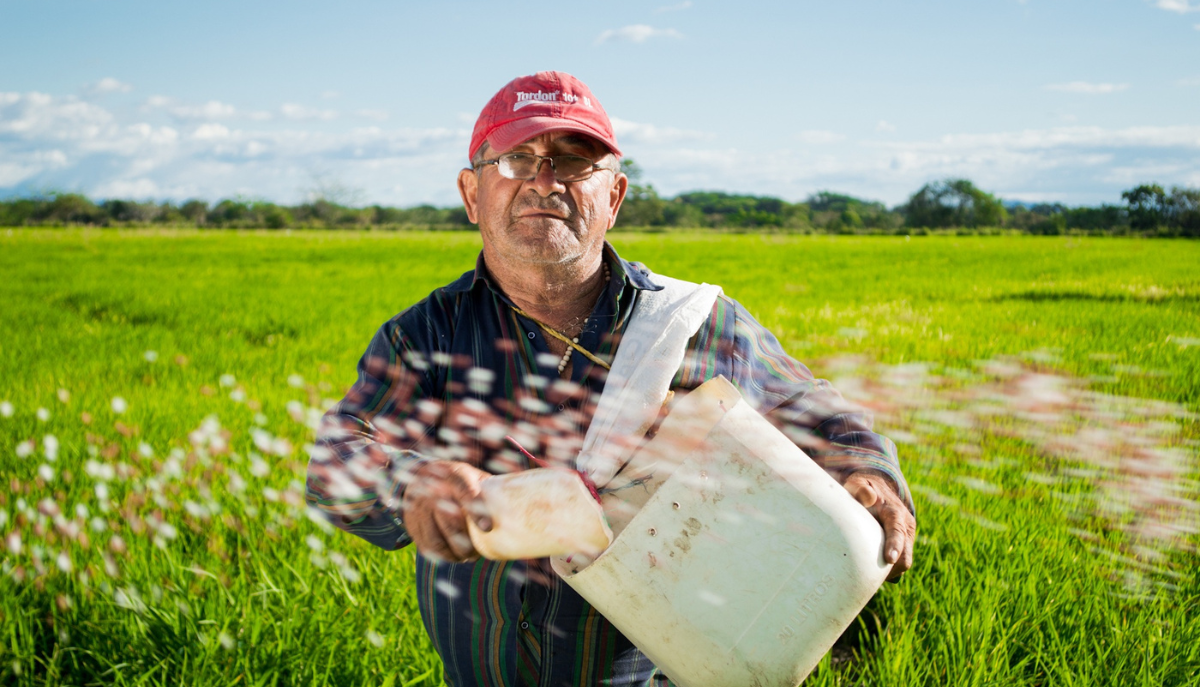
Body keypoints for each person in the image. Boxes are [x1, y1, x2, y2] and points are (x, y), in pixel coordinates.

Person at [306, 70, 916, 687]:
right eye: (517, 159)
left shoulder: (689, 323)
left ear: (615, 197)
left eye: (574, 162)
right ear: (471, 194)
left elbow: (809, 408)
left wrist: (868, 472)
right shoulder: (427, 335)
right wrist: (411, 485)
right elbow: (336, 459)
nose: (546, 181)